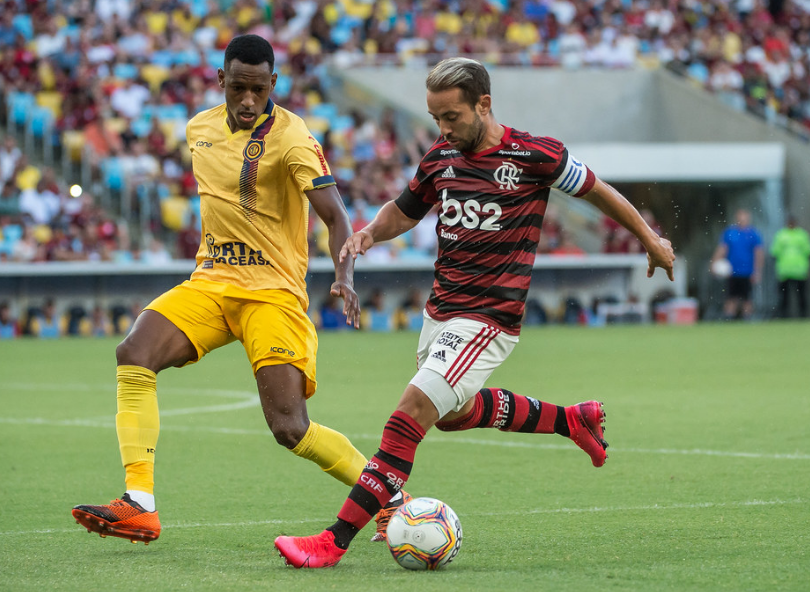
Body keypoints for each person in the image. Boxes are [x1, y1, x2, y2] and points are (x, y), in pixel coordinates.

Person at [274, 57, 676, 568]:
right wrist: (371, 233)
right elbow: (405, 208)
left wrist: (649, 237)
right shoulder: (440, 157)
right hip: (441, 313)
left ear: (483, 104)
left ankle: (331, 542)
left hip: (489, 320)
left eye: (451, 117)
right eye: (435, 118)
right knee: (453, 415)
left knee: (411, 414)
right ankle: (572, 421)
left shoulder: (535, 155)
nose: (442, 129)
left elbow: (598, 190)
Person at [72, 35, 401, 545]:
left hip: (272, 292)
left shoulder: (293, 138)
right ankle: (139, 503)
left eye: (259, 89)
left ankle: (389, 497)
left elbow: (335, 215)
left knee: (290, 428)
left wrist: (344, 275)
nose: (248, 100)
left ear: (274, 84)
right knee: (134, 353)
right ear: (221, 81)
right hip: (211, 283)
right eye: (238, 88)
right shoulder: (197, 128)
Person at [711, 209, 763, 319]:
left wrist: (757, 270)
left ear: (748, 218)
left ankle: (748, 319)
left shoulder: (753, 234)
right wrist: (714, 262)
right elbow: (722, 249)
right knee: (731, 297)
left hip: (747, 271)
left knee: (747, 298)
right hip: (732, 271)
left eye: (744, 217)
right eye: (740, 217)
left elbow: (758, 253)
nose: (742, 219)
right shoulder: (730, 233)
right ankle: (729, 319)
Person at [769, 216, 810, 318]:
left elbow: (807, 251)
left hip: (799, 271)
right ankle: (783, 316)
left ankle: (803, 315)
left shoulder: (801, 235)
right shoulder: (781, 235)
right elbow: (774, 252)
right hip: (784, 271)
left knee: (801, 295)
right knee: (783, 296)